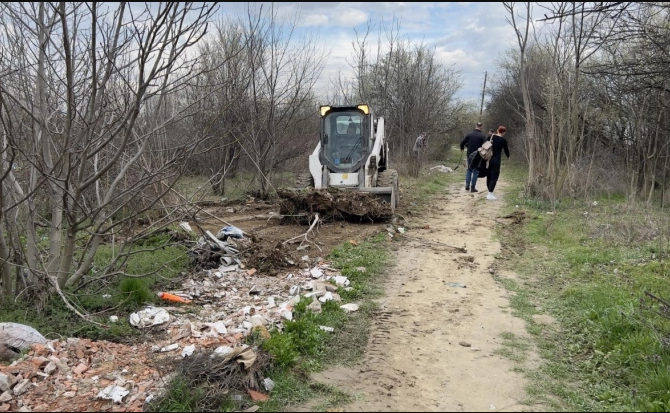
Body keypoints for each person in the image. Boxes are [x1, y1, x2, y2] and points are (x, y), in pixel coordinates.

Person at [484, 125, 510, 200]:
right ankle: (490, 194)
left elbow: (485, 144)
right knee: (494, 176)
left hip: (488, 159)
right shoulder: (503, 140)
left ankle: (489, 191)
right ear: (504, 132)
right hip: (496, 159)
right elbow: (506, 150)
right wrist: (508, 156)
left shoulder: (491, 136)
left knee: (488, 175)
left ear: (497, 130)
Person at [460, 122, 486, 192]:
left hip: (469, 155)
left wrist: (462, 148)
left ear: (475, 126)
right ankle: (473, 187)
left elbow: (462, 143)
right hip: (478, 155)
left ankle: (467, 185)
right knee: (476, 171)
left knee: (469, 169)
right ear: (481, 127)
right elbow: (485, 146)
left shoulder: (469, 134)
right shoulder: (483, 136)